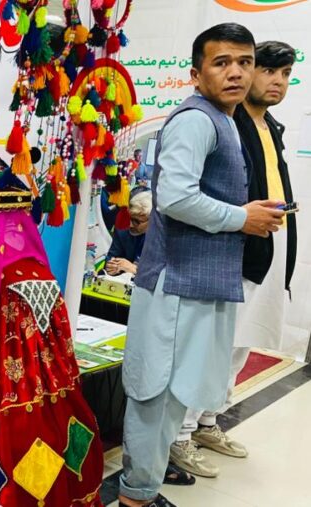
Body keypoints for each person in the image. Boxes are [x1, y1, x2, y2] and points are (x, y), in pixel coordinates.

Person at [117, 24, 285, 507]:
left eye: (245, 62)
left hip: (197, 282)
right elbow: (174, 198)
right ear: (196, 74)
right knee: (156, 396)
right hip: (176, 285)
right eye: (221, 62)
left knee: (175, 396)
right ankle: (135, 496)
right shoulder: (196, 120)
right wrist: (242, 218)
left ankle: (143, 489)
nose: (236, 72)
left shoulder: (224, 120)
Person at [171, 40, 298, 479]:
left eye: (285, 74)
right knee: (211, 348)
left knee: (241, 345)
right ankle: (179, 436)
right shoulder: (224, 122)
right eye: (268, 70)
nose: (276, 81)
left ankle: (208, 421)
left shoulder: (271, 125)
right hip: (231, 250)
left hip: (268, 245)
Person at [106, 190, 152, 276]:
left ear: (152, 220)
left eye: (136, 221)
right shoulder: (122, 229)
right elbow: (111, 259)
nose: (130, 225)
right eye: (129, 218)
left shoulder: (162, 238)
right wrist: (111, 267)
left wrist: (134, 269)